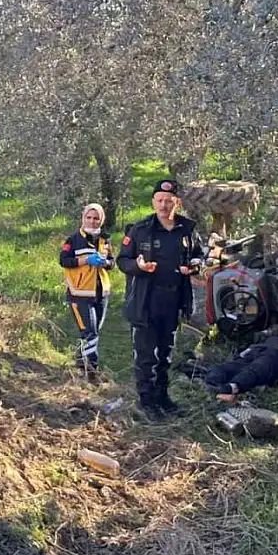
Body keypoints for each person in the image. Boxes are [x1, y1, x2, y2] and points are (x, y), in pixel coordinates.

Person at [116, 180, 205, 419]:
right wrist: (138, 265)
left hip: (174, 300)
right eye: (160, 201)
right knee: (146, 356)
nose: (164, 205)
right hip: (147, 301)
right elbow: (122, 261)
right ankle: (146, 403)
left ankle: (162, 399)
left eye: (169, 201)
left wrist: (195, 266)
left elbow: (199, 255)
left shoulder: (187, 229)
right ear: (153, 202)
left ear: (177, 203)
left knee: (166, 353)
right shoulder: (140, 229)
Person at [59, 203, 114, 379]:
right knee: (89, 331)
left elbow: (112, 262)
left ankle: (81, 362)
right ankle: (92, 371)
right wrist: (86, 260)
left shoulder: (105, 240)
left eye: (96, 218)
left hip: (100, 292)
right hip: (79, 293)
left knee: (94, 332)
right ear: (83, 218)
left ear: (101, 220)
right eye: (88, 218)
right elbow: (64, 261)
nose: (92, 221)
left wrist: (105, 262)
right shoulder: (73, 239)